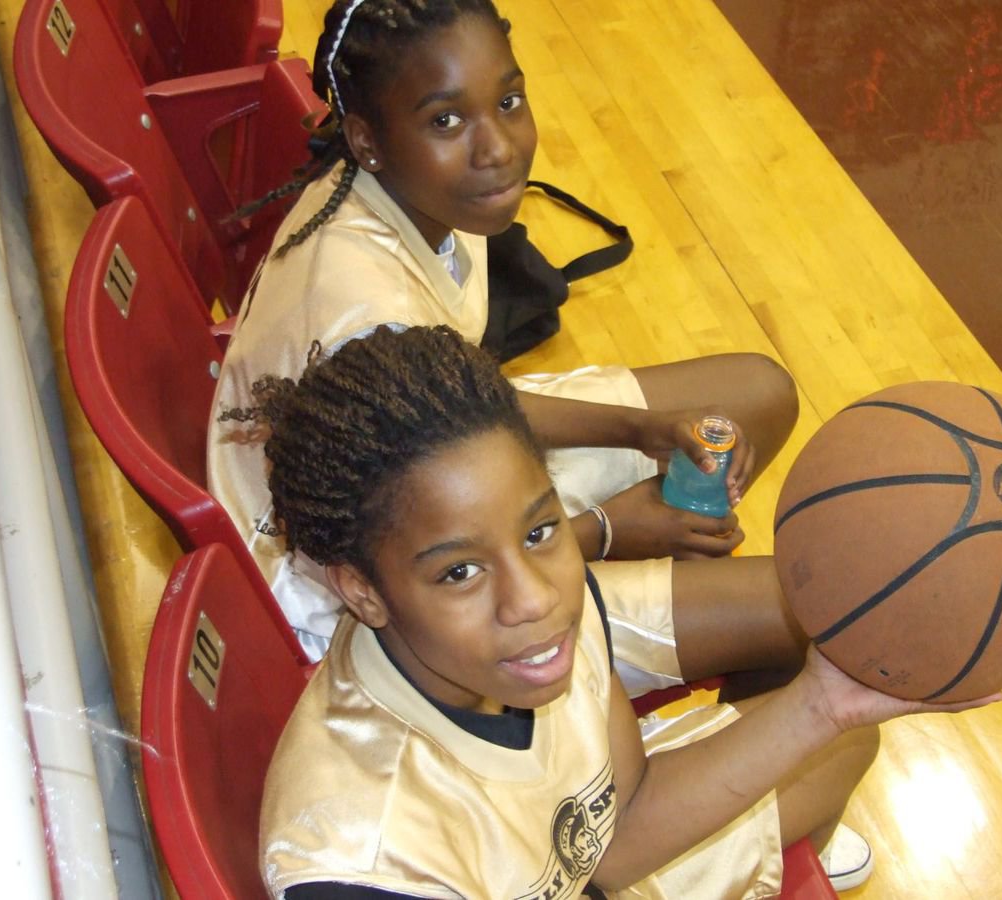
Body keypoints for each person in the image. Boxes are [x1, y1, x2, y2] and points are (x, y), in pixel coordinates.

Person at [256, 325, 999, 898]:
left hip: (580, 876)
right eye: (459, 571)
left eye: (540, 530)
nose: (537, 598)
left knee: (842, 748)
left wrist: (827, 704)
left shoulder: (526, 630)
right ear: (360, 591)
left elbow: (612, 834)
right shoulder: (363, 860)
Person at [208, 0, 803, 696]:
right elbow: (432, 576)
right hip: (366, 624)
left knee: (756, 394)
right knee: (797, 615)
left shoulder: (403, 189)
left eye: (509, 100)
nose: (497, 147)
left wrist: (640, 431)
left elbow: (454, 401)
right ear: (368, 138)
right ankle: (625, 774)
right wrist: (609, 531)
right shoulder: (371, 321)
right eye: (446, 120)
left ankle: (667, 596)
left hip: (441, 474)